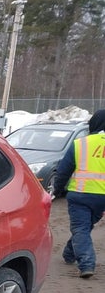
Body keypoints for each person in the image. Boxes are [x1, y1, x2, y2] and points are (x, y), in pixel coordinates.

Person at [52, 109, 105, 278]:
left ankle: (87, 264)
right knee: (84, 228)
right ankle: (69, 254)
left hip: (80, 195)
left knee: (81, 228)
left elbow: (63, 171)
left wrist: (57, 190)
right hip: (102, 198)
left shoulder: (81, 144)